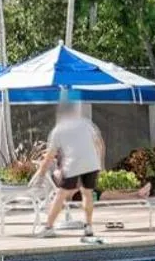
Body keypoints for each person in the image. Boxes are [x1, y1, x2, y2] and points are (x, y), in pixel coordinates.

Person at [35, 97, 105, 242]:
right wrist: (100, 162)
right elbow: (99, 144)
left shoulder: (58, 130)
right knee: (87, 194)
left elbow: (49, 156)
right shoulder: (86, 124)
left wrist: (40, 175)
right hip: (92, 162)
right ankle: (88, 227)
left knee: (60, 195)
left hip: (74, 164)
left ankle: (48, 227)